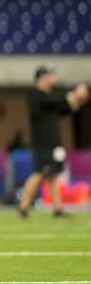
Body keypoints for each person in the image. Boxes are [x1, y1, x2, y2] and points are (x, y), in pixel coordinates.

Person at [18, 67, 89, 218]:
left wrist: (78, 100)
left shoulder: (48, 99)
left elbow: (64, 109)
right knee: (39, 173)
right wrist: (75, 94)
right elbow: (57, 101)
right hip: (42, 142)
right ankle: (23, 206)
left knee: (53, 175)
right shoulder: (36, 95)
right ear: (42, 78)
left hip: (52, 142)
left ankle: (58, 208)